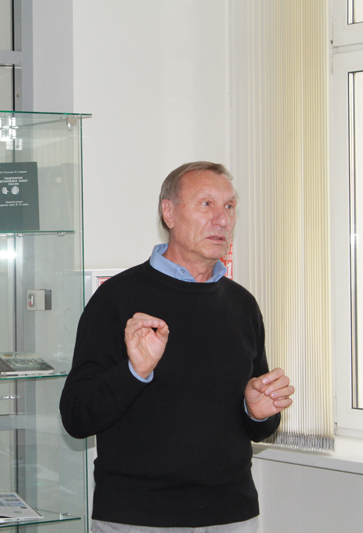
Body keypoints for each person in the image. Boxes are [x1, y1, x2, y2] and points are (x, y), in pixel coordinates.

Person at [59, 161, 294, 532]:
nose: (222, 219)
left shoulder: (242, 304)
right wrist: (135, 373)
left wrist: (258, 412)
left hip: (232, 514)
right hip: (139, 517)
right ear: (168, 212)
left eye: (229, 206)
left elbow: (256, 426)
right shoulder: (117, 299)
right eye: (206, 204)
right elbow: (76, 417)